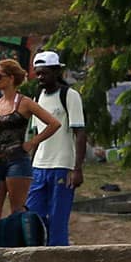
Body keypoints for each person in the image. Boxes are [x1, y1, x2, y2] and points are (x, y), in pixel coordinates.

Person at [0, 58, 58, 224]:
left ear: (11, 78)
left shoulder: (24, 103)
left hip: (17, 159)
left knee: (17, 209)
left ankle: (19, 245)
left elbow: (54, 123)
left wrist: (32, 142)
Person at [24, 50, 86, 246]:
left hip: (62, 165)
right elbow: (37, 135)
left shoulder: (69, 95)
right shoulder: (37, 97)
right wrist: (31, 165)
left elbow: (80, 133)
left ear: (56, 72)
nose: (40, 77)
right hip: (39, 167)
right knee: (34, 216)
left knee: (58, 219)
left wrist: (77, 169)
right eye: (38, 73)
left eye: (45, 73)